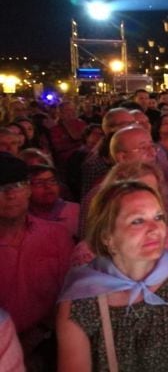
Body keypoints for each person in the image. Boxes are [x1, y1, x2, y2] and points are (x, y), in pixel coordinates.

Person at [57, 180, 168, 371]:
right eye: (138, 221)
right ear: (107, 236)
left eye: (158, 217)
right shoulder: (81, 298)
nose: (155, 229)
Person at [0, 153, 73, 367]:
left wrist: (37, 335)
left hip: (46, 341)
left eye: (18, 185)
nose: (11, 194)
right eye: (2, 188)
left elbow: (68, 292)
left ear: (28, 190)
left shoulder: (56, 235)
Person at [28, 164, 80, 240]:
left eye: (52, 181)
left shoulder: (76, 211)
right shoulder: (22, 217)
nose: (48, 186)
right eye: (39, 183)